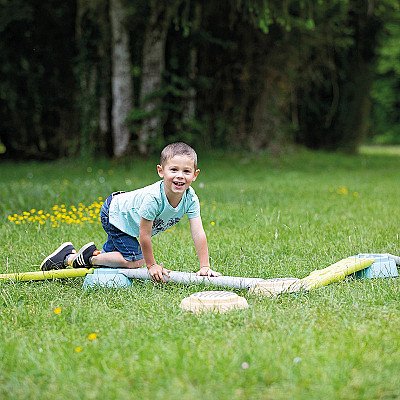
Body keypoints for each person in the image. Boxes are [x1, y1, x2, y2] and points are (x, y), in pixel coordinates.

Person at [40, 142, 220, 282]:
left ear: (195, 175)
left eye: (186, 171)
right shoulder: (154, 199)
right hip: (115, 214)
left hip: (125, 218)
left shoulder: (190, 198)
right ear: (161, 171)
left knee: (114, 261)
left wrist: (204, 266)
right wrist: (151, 265)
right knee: (134, 260)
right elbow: (144, 235)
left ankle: (66, 258)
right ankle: (87, 258)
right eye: (173, 169)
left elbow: (198, 232)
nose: (180, 175)